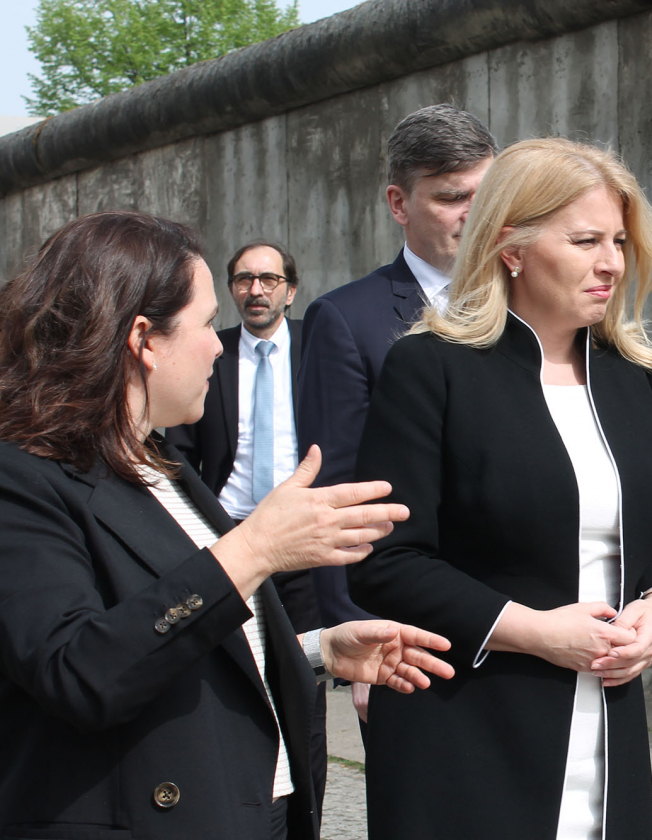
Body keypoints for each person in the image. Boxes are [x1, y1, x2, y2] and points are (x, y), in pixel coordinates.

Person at [0, 211, 453, 840]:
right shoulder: (21, 476)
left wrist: (315, 651)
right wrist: (256, 549)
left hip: (248, 803)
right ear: (143, 340)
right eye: (208, 323)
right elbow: (81, 670)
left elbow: (176, 635)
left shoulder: (161, 463)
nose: (220, 343)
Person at [348, 137, 652, 839]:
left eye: (620, 241)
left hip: (610, 727)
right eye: (586, 239)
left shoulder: (633, 377)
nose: (610, 263)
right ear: (511, 247)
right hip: (469, 733)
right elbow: (385, 564)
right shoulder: (429, 369)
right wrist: (535, 632)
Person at [296, 103, 497, 729]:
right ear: (398, 202)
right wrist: (354, 624)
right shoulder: (348, 319)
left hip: (524, 614)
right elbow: (338, 490)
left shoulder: (535, 302)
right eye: (451, 196)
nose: (474, 213)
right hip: (412, 629)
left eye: (485, 195)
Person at [164, 240, 329, 814]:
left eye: (267, 279)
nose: (254, 290)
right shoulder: (211, 351)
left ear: (290, 288)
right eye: (242, 280)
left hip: (305, 541)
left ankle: (303, 809)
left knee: (305, 687)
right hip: (228, 537)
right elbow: (178, 447)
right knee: (232, 680)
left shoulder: (320, 347)